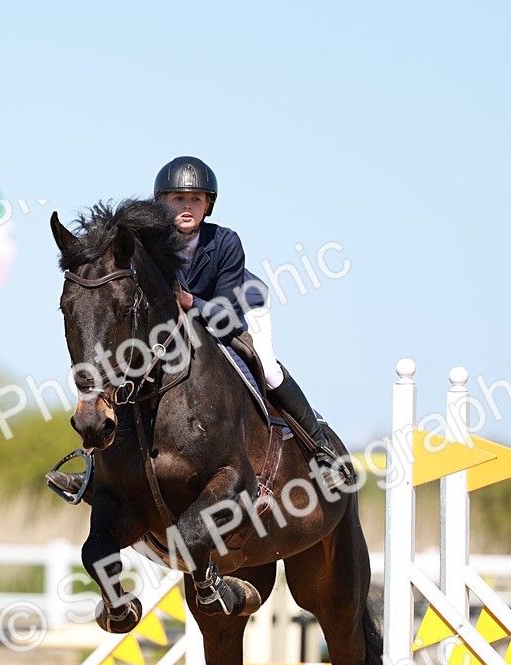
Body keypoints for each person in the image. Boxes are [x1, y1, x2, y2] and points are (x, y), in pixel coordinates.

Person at [48, 157, 352, 498]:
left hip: (234, 311)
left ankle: (322, 451)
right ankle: (97, 471)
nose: (186, 205)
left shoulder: (225, 243)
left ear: (208, 204)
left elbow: (229, 315)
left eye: (194, 199)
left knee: (267, 368)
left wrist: (191, 302)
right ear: (161, 202)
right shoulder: (144, 246)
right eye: (177, 198)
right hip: (177, 324)